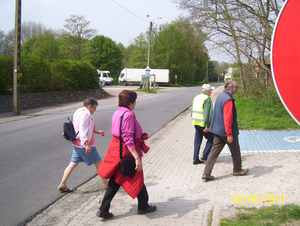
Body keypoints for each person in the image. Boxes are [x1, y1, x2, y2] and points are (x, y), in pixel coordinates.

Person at [96, 90, 156, 219]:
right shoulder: (128, 114)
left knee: (116, 180)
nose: (135, 104)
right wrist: (136, 157)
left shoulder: (117, 112)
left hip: (116, 148)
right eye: (134, 101)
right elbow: (128, 137)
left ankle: (104, 209)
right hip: (126, 150)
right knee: (136, 175)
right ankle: (143, 206)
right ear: (130, 102)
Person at [58, 98, 108, 192]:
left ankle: (62, 184)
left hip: (76, 143)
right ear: (89, 106)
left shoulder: (78, 111)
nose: (94, 110)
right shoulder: (86, 113)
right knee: (99, 163)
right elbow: (82, 129)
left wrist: (96, 131)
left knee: (72, 164)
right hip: (83, 145)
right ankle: (107, 184)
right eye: (94, 108)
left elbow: (79, 127)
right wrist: (87, 145)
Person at [202, 80, 249, 181]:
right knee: (235, 151)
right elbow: (228, 118)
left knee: (214, 152)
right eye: (236, 87)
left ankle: (206, 173)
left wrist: (212, 127)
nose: (237, 89)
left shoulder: (220, 96)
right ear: (230, 88)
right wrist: (229, 134)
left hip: (217, 130)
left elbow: (216, 113)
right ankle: (237, 170)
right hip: (225, 131)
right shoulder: (228, 100)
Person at [191, 84, 215, 165]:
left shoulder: (196, 97)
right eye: (210, 90)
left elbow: (192, 112)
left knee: (197, 141)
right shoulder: (207, 99)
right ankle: (205, 155)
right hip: (203, 124)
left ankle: (195, 158)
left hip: (196, 122)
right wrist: (208, 125)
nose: (211, 92)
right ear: (207, 91)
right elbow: (208, 114)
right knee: (212, 139)